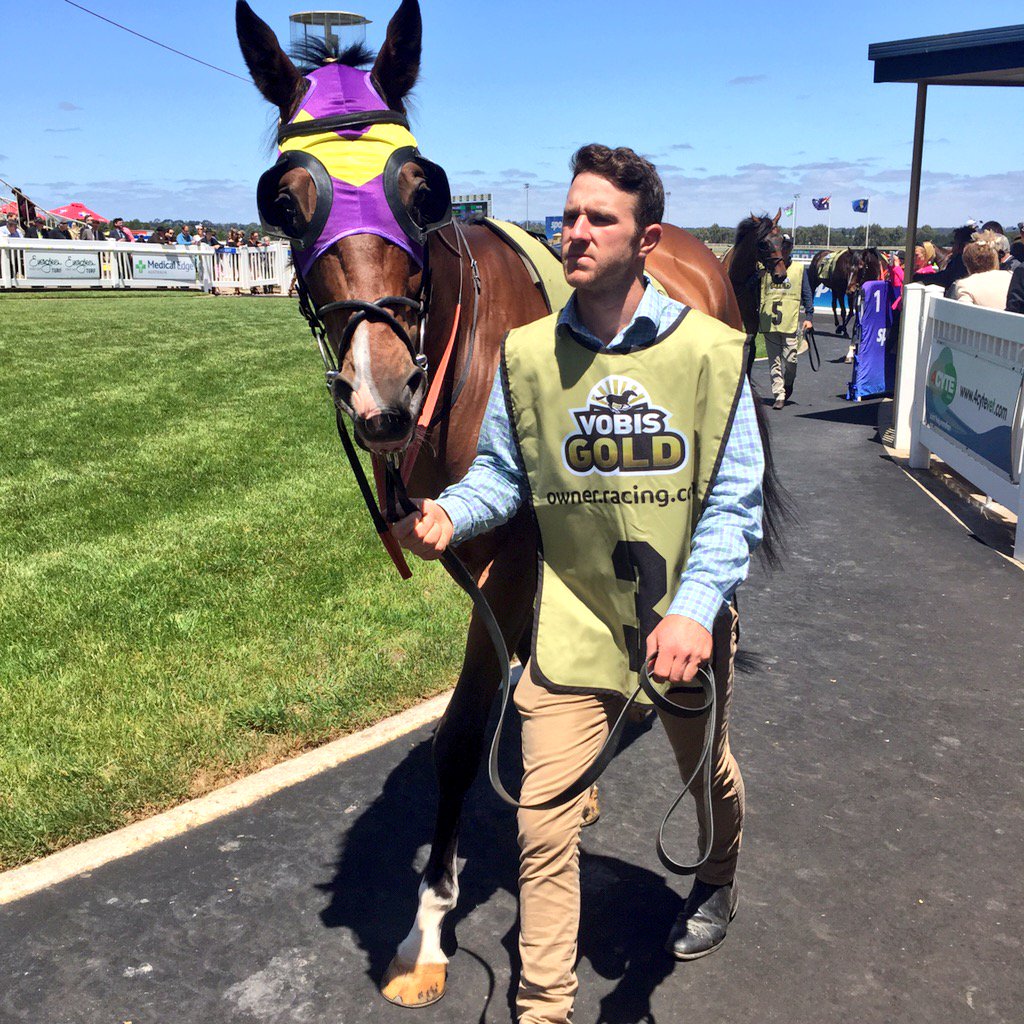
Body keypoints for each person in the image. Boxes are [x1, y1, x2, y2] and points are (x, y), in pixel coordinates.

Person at [394, 143, 764, 1024]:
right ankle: (544, 1009)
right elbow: (502, 474)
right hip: (572, 625)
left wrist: (697, 610)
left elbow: (734, 500)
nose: (577, 232)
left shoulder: (712, 353)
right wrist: (450, 513)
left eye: (600, 218)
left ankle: (717, 875)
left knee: (704, 770)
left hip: (679, 626)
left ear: (648, 240)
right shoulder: (526, 355)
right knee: (543, 822)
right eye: (569, 216)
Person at [759, 233, 814, 404]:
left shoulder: (798, 269)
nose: (784, 249)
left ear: (791, 249)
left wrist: (809, 316)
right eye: (782, 246)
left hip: (790, 322)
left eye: (787, 246)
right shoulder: (766, 269)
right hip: (770, 323)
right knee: (774, 361)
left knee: (791, 360)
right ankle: (779, 394)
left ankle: (788, 382)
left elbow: (807, 293)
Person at [952, 234, 1010, 309]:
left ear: (967, 264)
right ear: (995, 259)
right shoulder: (1011, 277)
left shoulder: (965, 285)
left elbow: (964, 312)